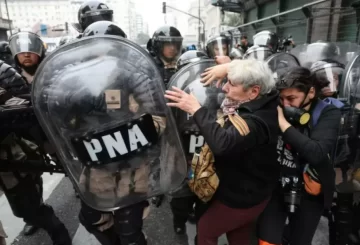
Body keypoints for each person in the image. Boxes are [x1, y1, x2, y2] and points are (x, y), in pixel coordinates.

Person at [165, 59, 280, 245]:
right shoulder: (269, 98)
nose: (224, 88)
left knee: (206, 230)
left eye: (232, 84)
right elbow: (268, 73)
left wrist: (196, 109)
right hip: (254, 188)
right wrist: (228, 67)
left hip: (241, 196)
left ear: (254, 91)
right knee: (239, 235)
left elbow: (222, 143)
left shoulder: (255, 122)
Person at [76, 21, 150, 245]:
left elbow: (158, 118)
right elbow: (65, 123)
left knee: (129, 230)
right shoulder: (76, 81)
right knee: (93, 219)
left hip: (131, 165)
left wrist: (130, 127)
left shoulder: (136, 77)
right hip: (96, 166)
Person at [256, 67, 341, 245]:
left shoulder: (328, 113)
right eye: (282, 99)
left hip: (309, 190)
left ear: (310, 92)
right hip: (277, 185)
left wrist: (282, 123)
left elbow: (316, 152)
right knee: (266, 240)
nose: (285, 105)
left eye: (291, 98)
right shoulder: (280, 104)